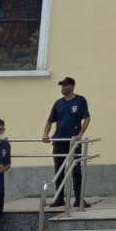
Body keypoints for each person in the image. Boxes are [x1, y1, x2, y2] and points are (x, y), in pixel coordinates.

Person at [42, 77, 91, 209]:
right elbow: (49, 120)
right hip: (59, 141)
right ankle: (59, 198)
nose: (63, 88)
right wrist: (46, 134)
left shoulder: (80, 101)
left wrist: (80, 134)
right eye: (62, 86)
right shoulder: (58, 103)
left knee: (76, 170)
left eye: (66, 85)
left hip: (73, 141)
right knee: (59, 169)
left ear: (72, 86)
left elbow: (87, 118)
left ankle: (79, 199)